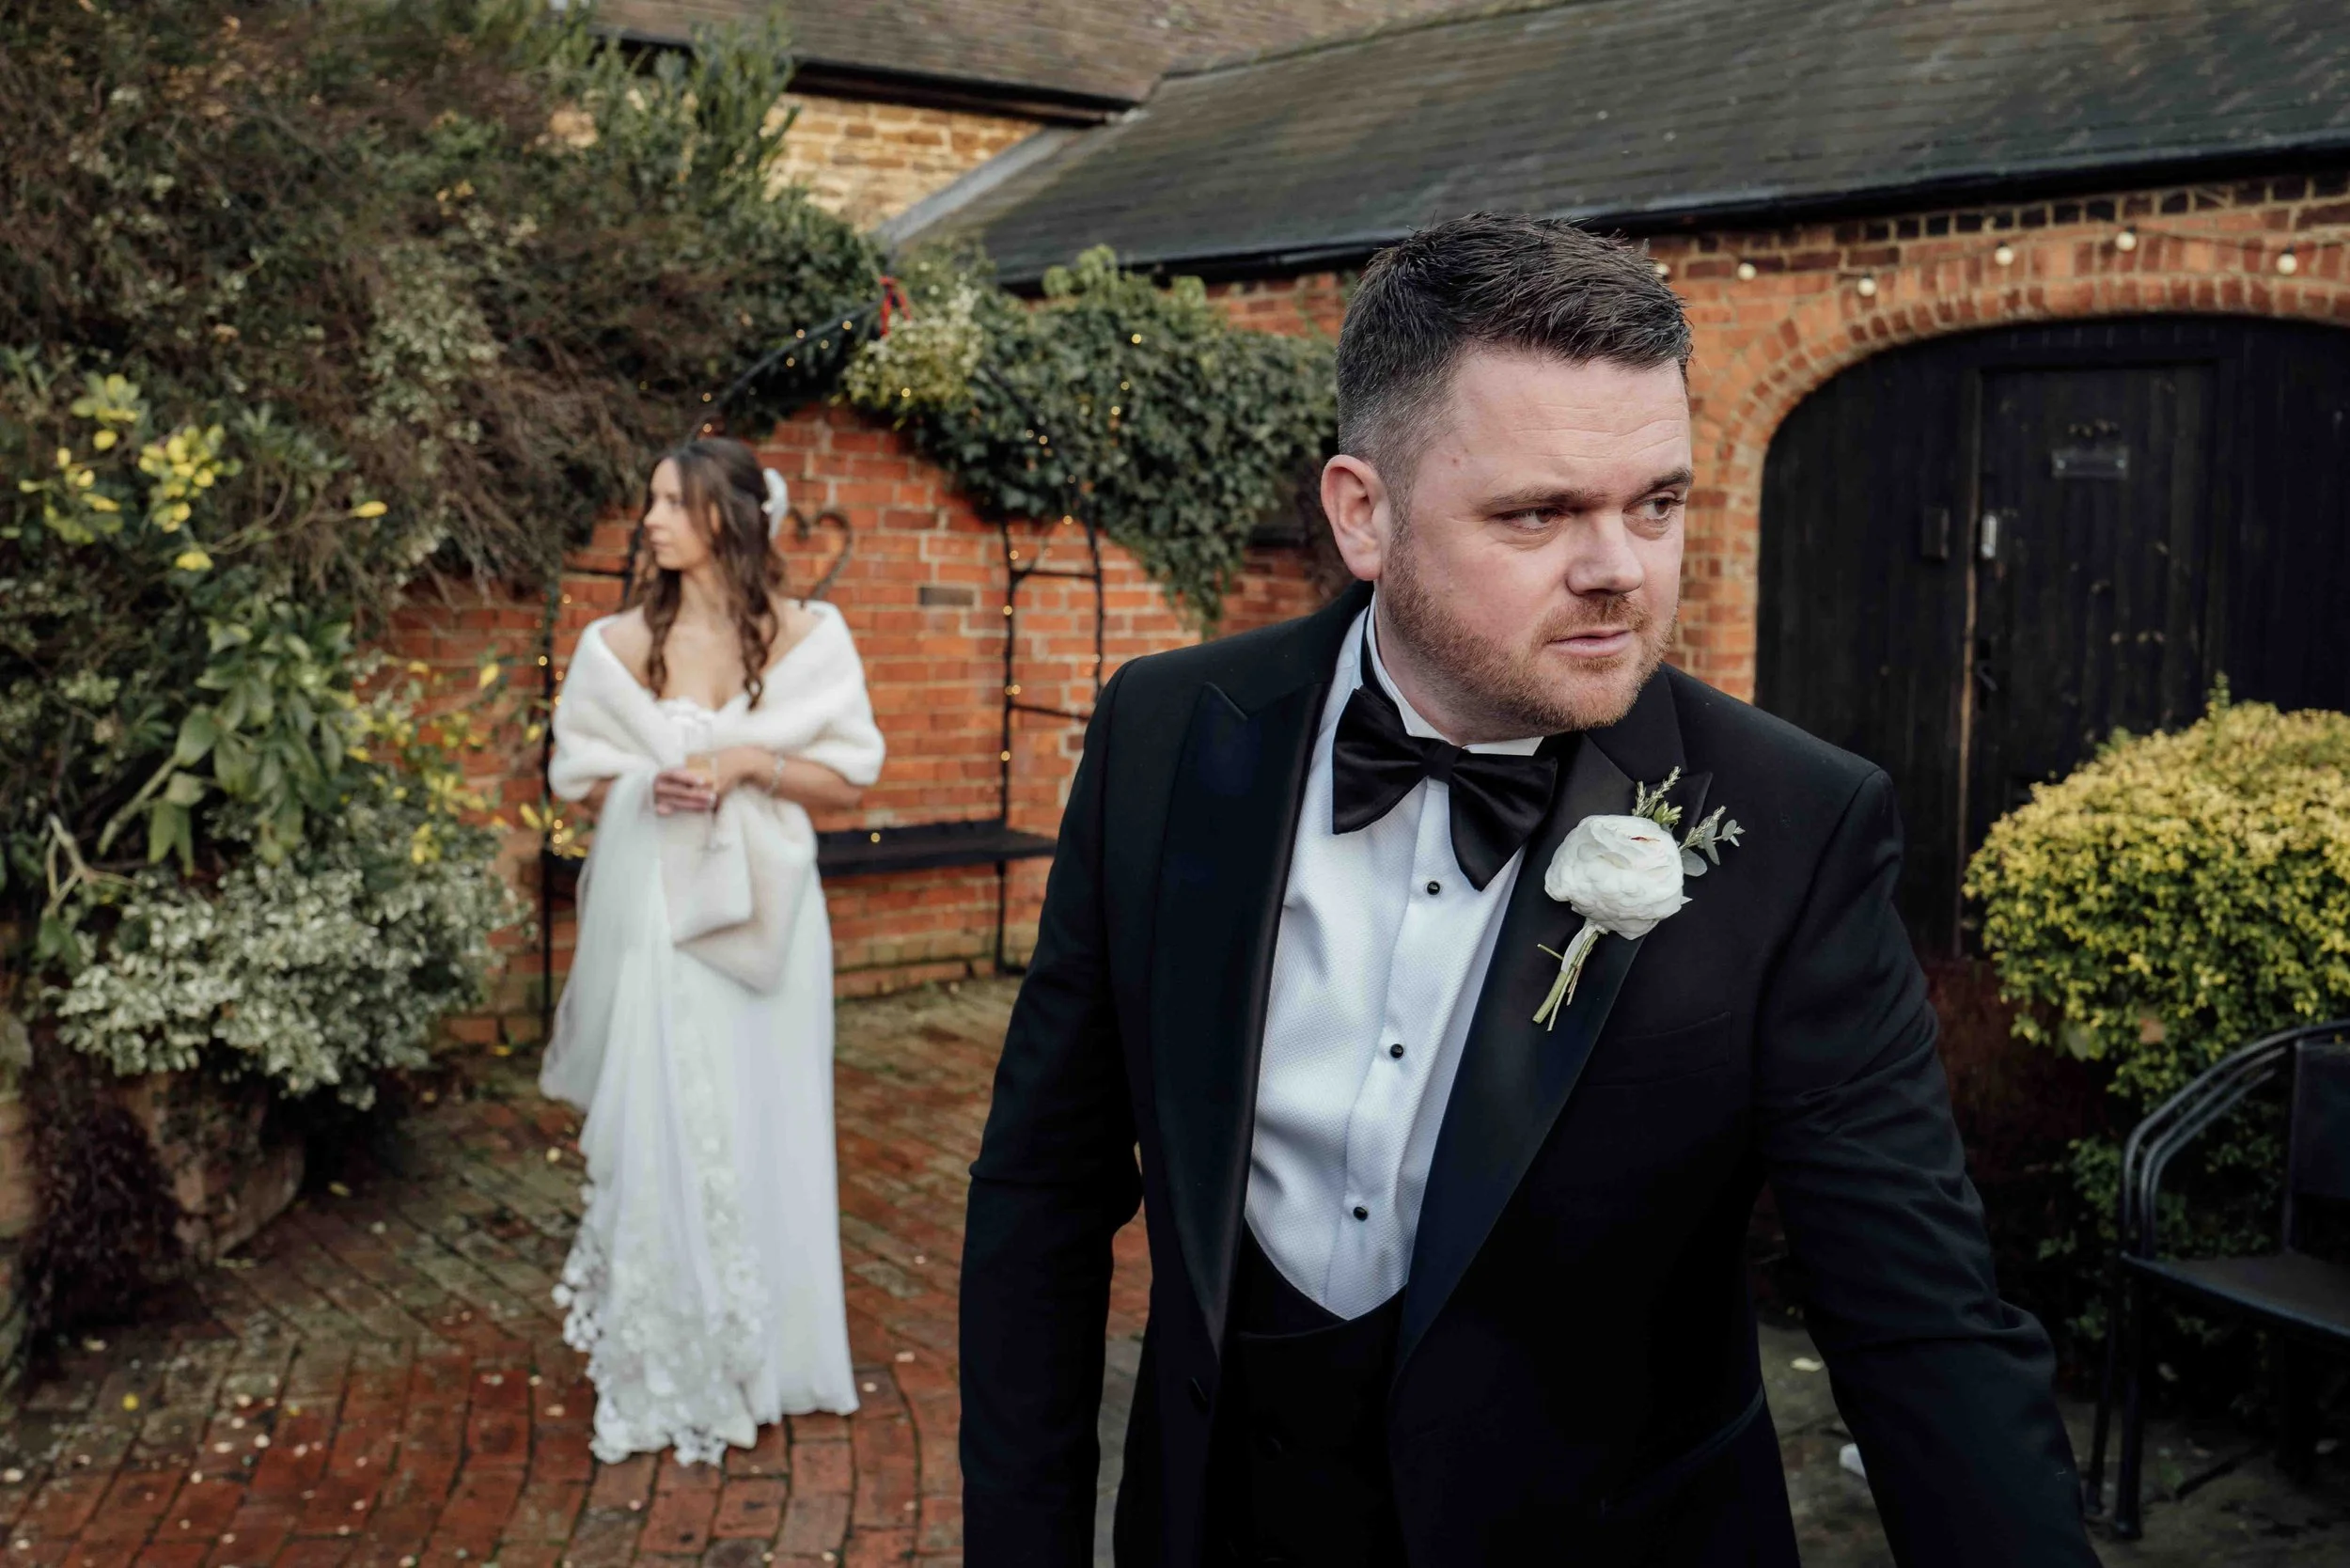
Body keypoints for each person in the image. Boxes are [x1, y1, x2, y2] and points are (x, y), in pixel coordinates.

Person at [959, 216, 2099, 1566]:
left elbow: (1923, 1326)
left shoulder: (1794, 825)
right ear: (1361, 513)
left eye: (1656, 502)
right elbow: (1043, 1186)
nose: (1621, 568)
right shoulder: (1165, 733)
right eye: (1540, 511)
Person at [540, 436, 884, 1464]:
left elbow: (848, 780)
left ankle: (773, 1356)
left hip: (769, 921)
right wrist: (649, 785)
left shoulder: (809, 638)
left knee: (763, 1116)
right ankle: (672, 1355)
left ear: (729, 517)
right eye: (649, 501)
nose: (651, 520)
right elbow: (579, 774)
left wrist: (747, 761)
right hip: (658, 914)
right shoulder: (613, 645)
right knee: (667, 1121)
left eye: (673, 503)